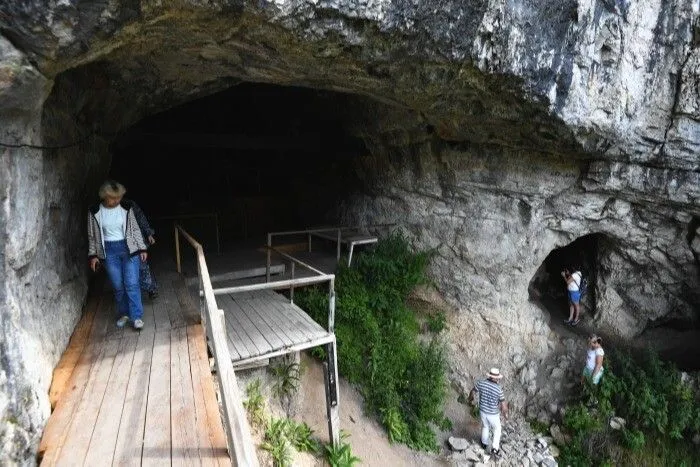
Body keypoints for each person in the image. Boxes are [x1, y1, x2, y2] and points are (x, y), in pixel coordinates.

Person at [87, 180, 148, 330]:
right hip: (109, 251)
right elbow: (92, 236)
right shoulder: (95, 211)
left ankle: (136, 317)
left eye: (119, 197)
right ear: (104, 196)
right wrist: (93, 255)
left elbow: (134, 230)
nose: (117, 200)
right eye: (113, 198)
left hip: (128, 248)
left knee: (132, 283)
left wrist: (142, 248)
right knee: (118, 285)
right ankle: (124, 314)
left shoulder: (126, 208)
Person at [469, 368, 509, 458]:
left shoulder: (481, 383)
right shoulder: (498, 389)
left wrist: (470, 399)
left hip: (482, 411)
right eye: (498, 378)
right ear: (496, 378)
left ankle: (484, 444)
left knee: (485, 426)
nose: (499, 379)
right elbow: (503, 405)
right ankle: (495, 448)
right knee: (497, 429)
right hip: (493, 414)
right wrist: (505, 414)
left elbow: (472, 391)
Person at [130, 201, 159, 299]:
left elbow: (141, 219)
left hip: (136, 241)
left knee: (142, 266)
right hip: (120, 244)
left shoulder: (129, 204)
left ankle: (151, 288)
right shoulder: (105, 207)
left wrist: (149, 234)